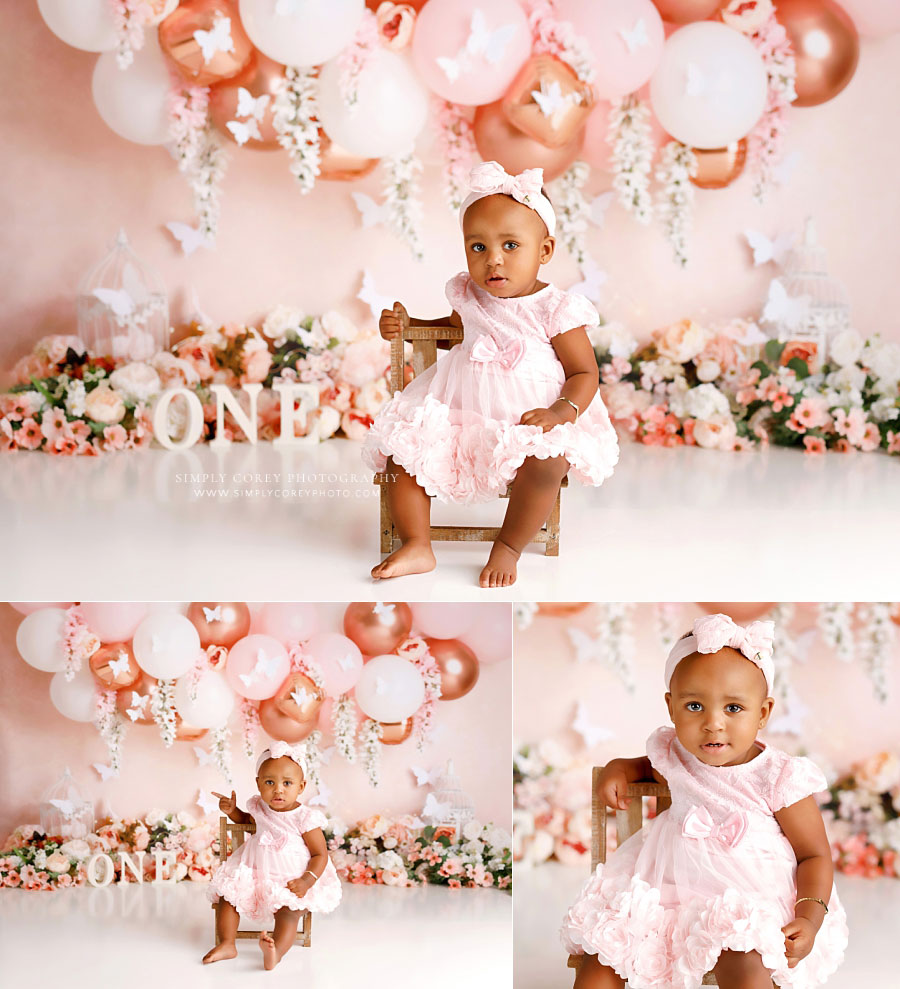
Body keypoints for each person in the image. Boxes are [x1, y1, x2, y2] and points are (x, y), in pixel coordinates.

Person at [362, 160, 619, 588]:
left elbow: (585, 372)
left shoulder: (556, 308)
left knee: (547, 463)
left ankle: (508, 546)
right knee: (403, 452)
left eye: (511, 246)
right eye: (477, 247)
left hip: (532, 417)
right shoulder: (470, 295)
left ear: (545, 251)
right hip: (461, 408)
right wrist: (410, 329)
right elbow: (452, 334)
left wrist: (560, 412)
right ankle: (416, 544)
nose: (493, 260)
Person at [560, 613, 848, 989]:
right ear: (671, 707)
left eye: (733, 708)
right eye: (695, 706)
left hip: (747, 899)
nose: (713, 723)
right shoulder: (674, 752)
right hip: (666, 892)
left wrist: (809, 917)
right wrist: (622, 767)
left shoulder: (778, 777)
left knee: (746, 964)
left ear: (762, 713)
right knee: (604, 959)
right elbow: (648, 766)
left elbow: (814, 855)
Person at [203, 741, 341, 969]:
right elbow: (247, 821)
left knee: (289, 913)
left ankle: (276, 951)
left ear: (301, 786)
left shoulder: (305, 817)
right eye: (270, 782)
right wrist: (233, 811)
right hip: (254, 871)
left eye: (287, 783)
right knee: (228, 898)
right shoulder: (260, 807)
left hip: (292, 879)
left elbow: (320, 854)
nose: (278, 789)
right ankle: (228, 943)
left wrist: (307, 880)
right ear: (258, 784)